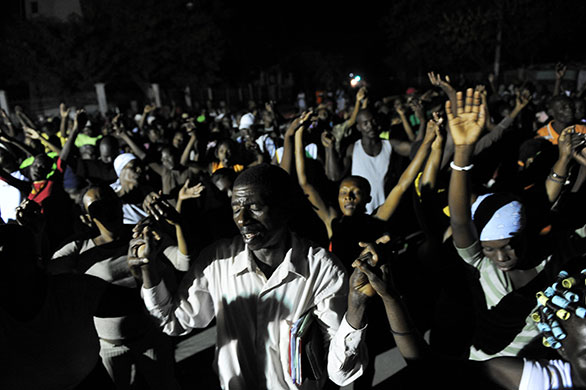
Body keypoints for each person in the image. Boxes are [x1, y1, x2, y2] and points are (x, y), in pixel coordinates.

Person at [130, 164, 370, 389]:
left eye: (254, 208)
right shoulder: (217, 261)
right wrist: (148, 270)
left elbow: (340, 372)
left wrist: (357, 307)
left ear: (284, 209)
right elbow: (174, 321)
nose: (242, 219)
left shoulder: (322, 270)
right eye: (236, 208)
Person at [49, 184, 180, 389]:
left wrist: (174, 224)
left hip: (150, 337)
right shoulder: (80, 249)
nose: (107, 211)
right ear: (87, 218)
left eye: (110, 203)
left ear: (119, 204)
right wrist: (36, 232)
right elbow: (44, 273)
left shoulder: (141, 236)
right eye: (97, 208)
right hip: (110, 347)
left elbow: (183, 261)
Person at [325, 108, 412, 214]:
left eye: (373, 121)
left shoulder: (390, 145)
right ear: (358, 127)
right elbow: (334, 176)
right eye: (365, 123)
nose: (370, 126)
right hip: (362, 211)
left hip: (387, 210)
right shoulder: (353, 149)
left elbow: (418, 150)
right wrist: (329, 147)